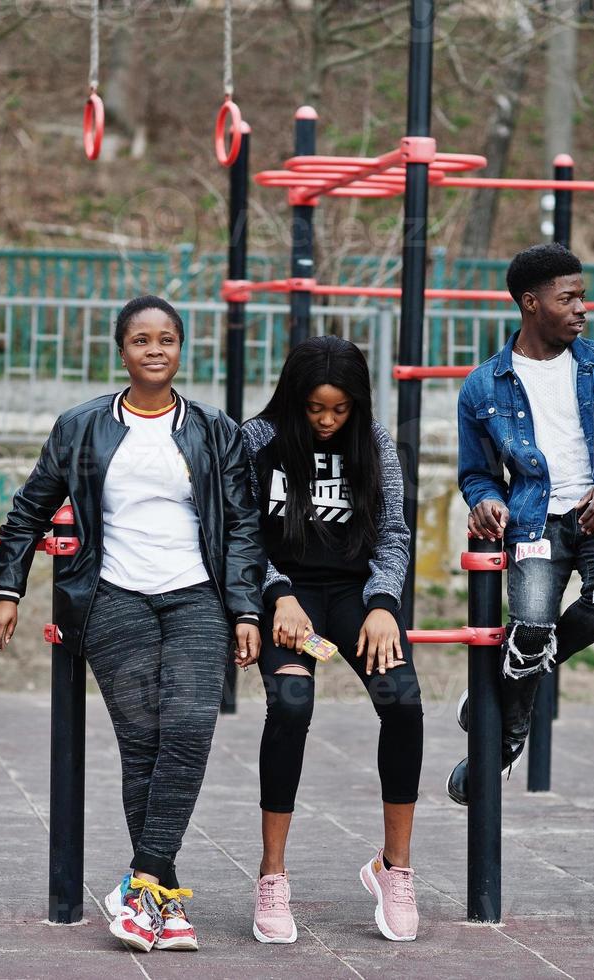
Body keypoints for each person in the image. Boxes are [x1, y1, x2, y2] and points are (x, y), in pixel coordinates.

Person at [0, 295, 263, 954]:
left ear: (180, 347)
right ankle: (158, 899)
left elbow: (243, 527)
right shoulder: (81, 427)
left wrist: (246, 606)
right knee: (142, 744)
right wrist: (7, 590)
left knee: (188, 730)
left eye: (166, 338)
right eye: (141, 340)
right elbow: (27, 512)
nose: (155, 349)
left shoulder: (213, 429)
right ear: (123, 350)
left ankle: (142, 885)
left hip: (197, 596)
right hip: (113, 597)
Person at [450, 242, 594, 800]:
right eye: (567, 298)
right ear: (530, 303)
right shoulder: (482, 387)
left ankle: (495, 705)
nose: (581, 309)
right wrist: (485, 500)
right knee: (532, 630)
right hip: (533, 522)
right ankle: (505, 737)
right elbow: (476, 474)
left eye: (582, 298)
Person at [242, 336, 422, 945]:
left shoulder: (373, 446)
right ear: (294, 400)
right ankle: (272, 877)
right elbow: (239, 535)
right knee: (291, 706)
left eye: (339, 409)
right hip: (287, 597)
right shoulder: (257, 442)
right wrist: (277, 597)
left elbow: (395, 534)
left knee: (403, 701)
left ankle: (394, 869)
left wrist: (383, 605)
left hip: (355, 596)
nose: (326, 421)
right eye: (315, 409)